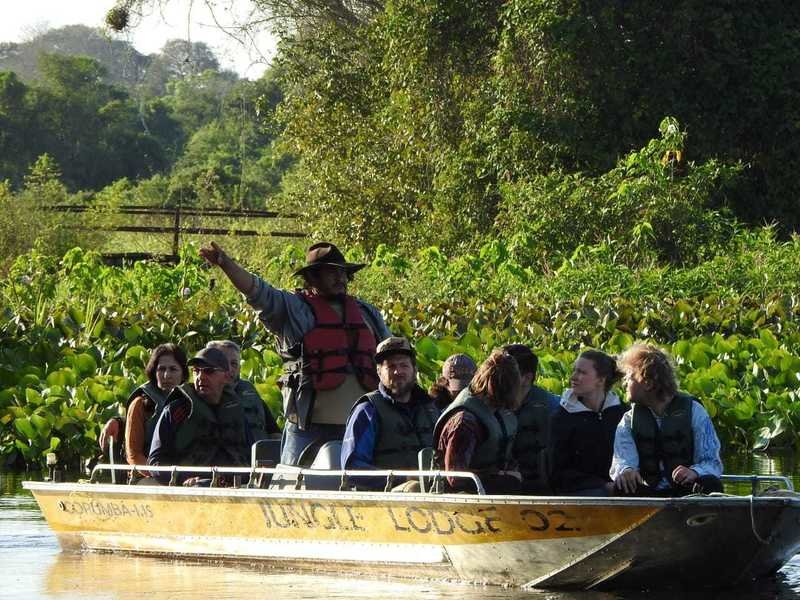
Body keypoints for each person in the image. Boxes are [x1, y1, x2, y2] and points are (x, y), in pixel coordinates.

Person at [199, 241, 391, 466]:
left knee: (365, 487)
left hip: (360, 424)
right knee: (292, 482)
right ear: (312, 278)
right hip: (307, 427)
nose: (340, 278)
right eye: (331, 272)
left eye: (342, 272)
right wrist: (226, 264)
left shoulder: (367, 313)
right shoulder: (293, 309)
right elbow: (257, 291)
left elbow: (391, 355)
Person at [610, 344, 724, 496]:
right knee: (622, 486)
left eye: (630, 377)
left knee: (711, 484)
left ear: (648, 383)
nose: (625, 383)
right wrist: (627, 470)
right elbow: (622, 459)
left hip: (687, 491)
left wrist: (694, 472)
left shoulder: (695, 411)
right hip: (650, 492)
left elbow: (712, 461)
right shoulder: (628, 420)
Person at [341, 337, 440, 490]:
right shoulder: (368, 410)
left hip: (435, 491)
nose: (398, 371)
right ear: (379, 372)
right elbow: (353, 469)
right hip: (385, 497)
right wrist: (403, 478)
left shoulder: (431, 408)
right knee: (414, 488)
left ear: (414, 370)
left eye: (404, 365)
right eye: (390, 366)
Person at [148, 347, 250, 485]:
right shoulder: (177, 410)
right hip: (191, 490)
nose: (200, 377)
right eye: (196, 371)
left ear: (226, 376)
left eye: (209, 371)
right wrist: (182, 480)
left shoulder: (236, 409)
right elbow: (155, 462)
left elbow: (251, 452)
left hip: (236, 488)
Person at [433, 349, 522, 494]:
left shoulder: (496, 413)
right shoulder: (464, 422)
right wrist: (505, 480)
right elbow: (456, 478)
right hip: (460, 499)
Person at [98, 344, 189, 482]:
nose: (166, 375)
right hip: (147, 476)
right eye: (161, 369)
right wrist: (165, 476)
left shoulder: (191, 401)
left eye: (173, 369)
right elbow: (134, 455)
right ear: (154, 372)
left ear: (183, 373)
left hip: (186, 476)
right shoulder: (140, 404)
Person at [550, 350, 626, 496]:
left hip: (619, 486)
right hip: (580, 492)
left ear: (601, 380)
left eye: (582, 373)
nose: (573, 377)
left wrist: (627, 473)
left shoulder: (622, 413)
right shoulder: (562, 417)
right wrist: (603, 486)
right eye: (574, 371)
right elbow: (558, 472)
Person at [502, 343, 560, 494]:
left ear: (527, 378)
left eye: (506, 372)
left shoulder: (554, 406)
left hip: (542, 489)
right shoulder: (489, 404)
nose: (496, 377)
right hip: (501, 486)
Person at [205, 340, 281, 442]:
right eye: (223, 362)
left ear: (239, 368)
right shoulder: (199, 399)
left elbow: (275, 434)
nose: (229, 369)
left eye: (234, 364)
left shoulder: (250, 394)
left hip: (259, 455)